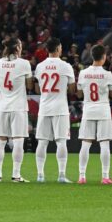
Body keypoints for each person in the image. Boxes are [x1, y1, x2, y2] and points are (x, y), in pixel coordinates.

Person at [73, 44, 112, 184]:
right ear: (104, 57)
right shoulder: (107, 74)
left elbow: (79, 94)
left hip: (88, 110)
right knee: (104, 144)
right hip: (103, 110)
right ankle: (105, 176)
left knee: (85, 143)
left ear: (92, 56)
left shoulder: (83, 73)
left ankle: (82, 176)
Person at [34, 37, 75, 183]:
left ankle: (40, 175)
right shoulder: (66, 66)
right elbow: (72, 90)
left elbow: (37, 87)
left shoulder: (40, 66)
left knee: (42, 142)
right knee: (61, 141)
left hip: (44, 107)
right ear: (58, 49)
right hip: (60, 108)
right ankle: (62, 175)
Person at [0, 38, 32, 183]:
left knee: (1, 140)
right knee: (18, 140)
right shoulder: (24, 64)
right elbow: (29, 85)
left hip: (3, 106)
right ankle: (16, 175)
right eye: (20, 46)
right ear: (17, 48)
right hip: (19, 107)